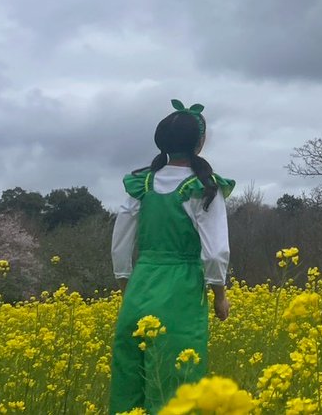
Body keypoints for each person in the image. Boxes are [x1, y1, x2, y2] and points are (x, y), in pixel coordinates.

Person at [109, 100, 234, 414]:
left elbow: (120, 245)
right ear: (199, 143)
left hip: (140, 286)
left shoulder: (142, 184)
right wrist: (220, 296)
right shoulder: (202, 187)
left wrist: (127, 288)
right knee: (177, 386)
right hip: (181, 290)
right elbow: (216, 251)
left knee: (129, 383)